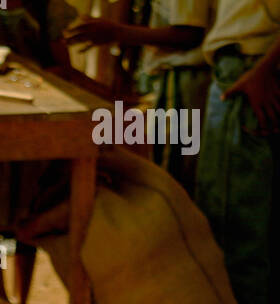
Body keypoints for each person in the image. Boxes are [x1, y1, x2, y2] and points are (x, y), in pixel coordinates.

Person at [195, 2, 280, 304]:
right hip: (249, 69)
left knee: (236, 236)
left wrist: (263, 69)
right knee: (257, 234)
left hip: (253, 70)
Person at [65, 0, 214, 195]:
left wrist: (115, 32)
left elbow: (189, 34)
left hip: (183, 76)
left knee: (171, 178)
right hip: (173, 76)